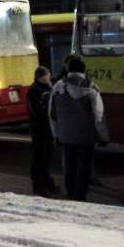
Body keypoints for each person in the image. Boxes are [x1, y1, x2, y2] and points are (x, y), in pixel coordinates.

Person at [48, 57, 108, 201]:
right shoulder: (91, 87)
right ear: (83, 70)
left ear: (69, 69)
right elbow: (98, 115)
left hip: (66, 135)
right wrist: (104, 136)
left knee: (70, 165)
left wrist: (56, 134)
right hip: (86, 136)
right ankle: (80, 194)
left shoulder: (58, 87)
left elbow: (52, 113)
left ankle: (70, 190)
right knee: (84, 166)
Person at [26, 65, 58, 196]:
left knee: (48, 157)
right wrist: (47, 120)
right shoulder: (34, 90)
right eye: (46, 75)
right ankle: (39, 185)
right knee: (39, 158)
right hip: (39, 129)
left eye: (49, 74)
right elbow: (36, 111)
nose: (48, 77)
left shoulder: (50, 87)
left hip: (49, 129)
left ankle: (48, 183)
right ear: (40, 77)